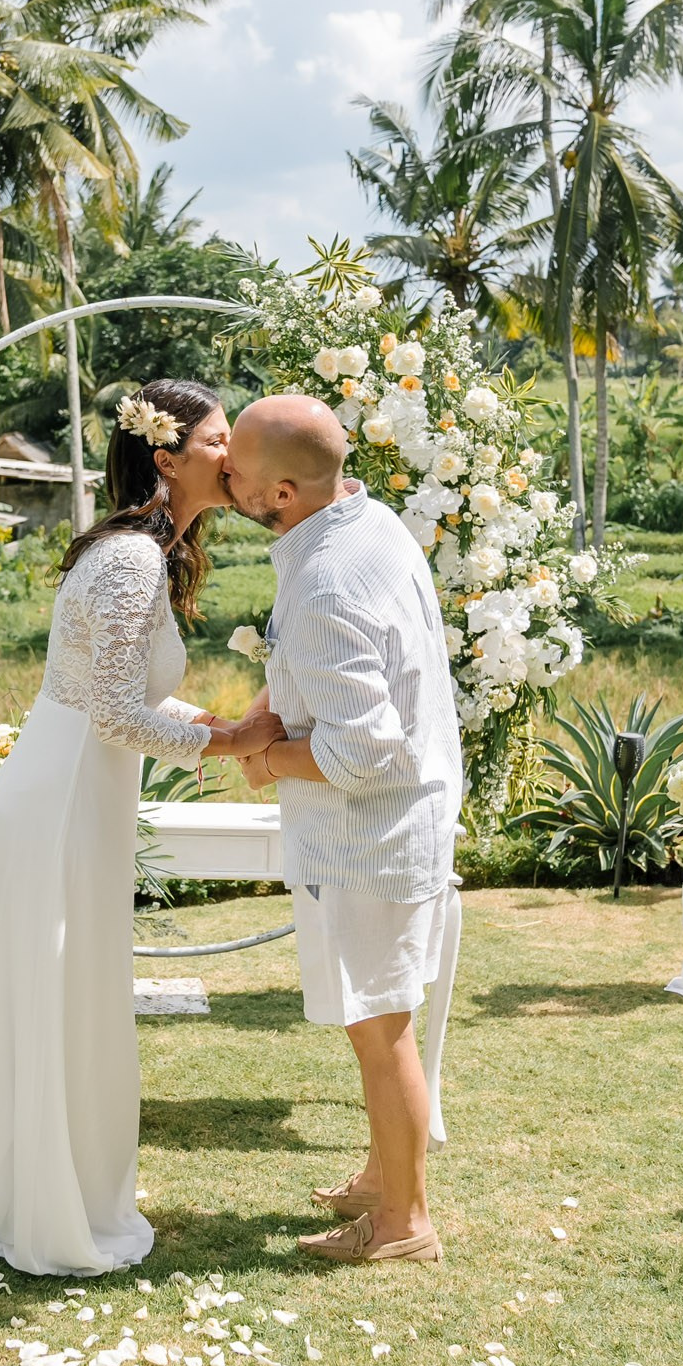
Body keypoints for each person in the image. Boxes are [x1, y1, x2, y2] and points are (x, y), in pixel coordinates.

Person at [0, 379, 279, 1277]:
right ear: (167, 456)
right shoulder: (134, 559)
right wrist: (225, 742)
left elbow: (129, 697)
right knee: (68, 996)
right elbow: (110, 713)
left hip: (78, 788)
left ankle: (58, 1186)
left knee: (78, 993)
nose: (237, 454)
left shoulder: (148, 552)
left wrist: (222, 726)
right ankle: (56, 1210)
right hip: (62, 795)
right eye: (221, 439)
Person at [222, 394, 461, 1266]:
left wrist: (268, 761)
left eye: (238, 470)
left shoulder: (323, 580)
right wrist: (273, 704)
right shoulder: (368, 522)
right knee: (381, 1020)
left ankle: (404, 1223)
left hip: (373, 837)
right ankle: (380, 1177)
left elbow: (364, 751)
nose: (224, 476)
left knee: (381, 1029)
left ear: (282, 491)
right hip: (406, 823)